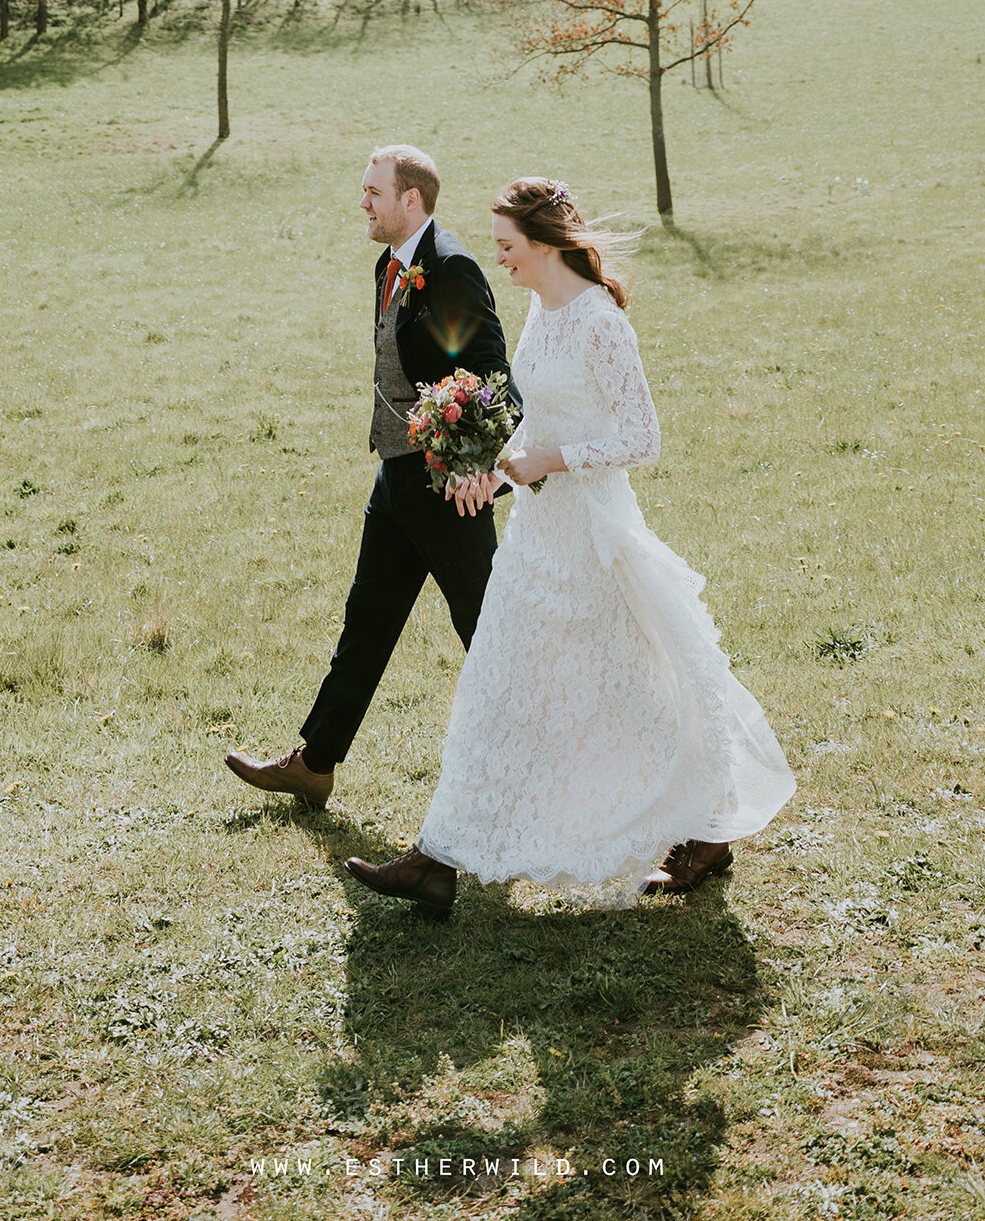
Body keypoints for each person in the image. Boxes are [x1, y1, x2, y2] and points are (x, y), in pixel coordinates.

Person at [343, 176, 796, 915]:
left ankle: (708, 825)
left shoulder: (599, 321)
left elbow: (643, 439)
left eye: (507, 247)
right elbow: (536, 418)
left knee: (632, 688)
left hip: (592, 536)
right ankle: (437, 857)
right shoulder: (539, 308)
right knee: (495, 686)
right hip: (534, 538)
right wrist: (489, 472)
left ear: (546, 243)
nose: (500, 261)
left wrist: (548, 464)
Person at [226, 144, 516, 810]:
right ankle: (315, 762)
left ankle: (541, 761)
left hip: (445, 488)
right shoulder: (391, 264)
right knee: (368, 619)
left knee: (488, 627)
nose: (363, 203)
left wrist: (468, 465)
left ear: (410, 198)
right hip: (396, 475)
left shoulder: (450, 267)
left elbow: (489, 372)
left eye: (372, 193)